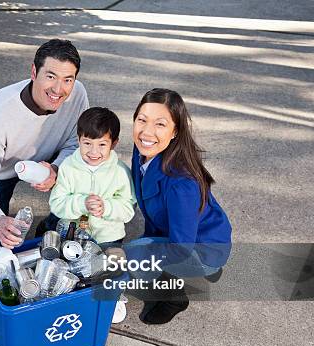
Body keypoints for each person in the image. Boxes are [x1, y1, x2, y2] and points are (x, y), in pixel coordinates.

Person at [0, 39, 89, 250]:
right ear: (33, 72)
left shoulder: (78, 93)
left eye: (68, 79)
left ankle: (52, 226)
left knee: (90, 164)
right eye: (50, 77)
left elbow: (76, 143)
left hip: (48, 157)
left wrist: (56, 169)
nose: (58, 89)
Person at [126, 88, 232, 325]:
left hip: (202, 246)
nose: (147, 131)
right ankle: (205, 268)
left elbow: (181, 247)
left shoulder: (181, 183)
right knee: (139, 249)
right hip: (191, 235)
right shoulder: (144, 148)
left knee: (125, 259)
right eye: (142, 120)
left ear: (175, 131)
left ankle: (174, 297)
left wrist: (140, 255)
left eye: (160, 124)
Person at [49, 107, 135, 251]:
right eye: (87, 143)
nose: (94, 152)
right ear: (79, 140)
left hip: (109, 237)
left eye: (102, 144)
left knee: (111, 268)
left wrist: (106, 207)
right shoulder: (68, 167)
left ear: (113, 144)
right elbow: (56, 203)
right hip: (72, 235)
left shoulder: (120, 172)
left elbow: (128, 208)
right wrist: (82, 203)